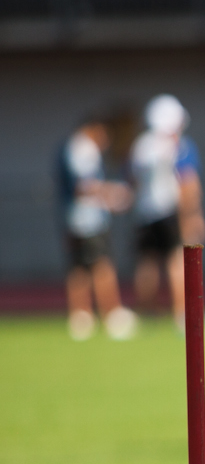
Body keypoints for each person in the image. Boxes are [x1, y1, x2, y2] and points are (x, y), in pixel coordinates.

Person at [56, 119, 135, 340]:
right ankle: (111, 313)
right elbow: (84, 186)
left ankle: (81, 316)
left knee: (79, 267)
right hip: (88, 220)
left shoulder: (72, 147)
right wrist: (113, 193)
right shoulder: (83, 148)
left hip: (74, 218)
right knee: (101, 264)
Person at [131, 95, 205, 324]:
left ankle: (147, 311)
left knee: (147, 262)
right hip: (171, 210)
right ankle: (181, 313)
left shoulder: (141, 146)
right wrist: (193, 216)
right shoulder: (179, 146)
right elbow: (188, 183)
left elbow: (133, 181)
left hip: (145, 212)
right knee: (177, 260)